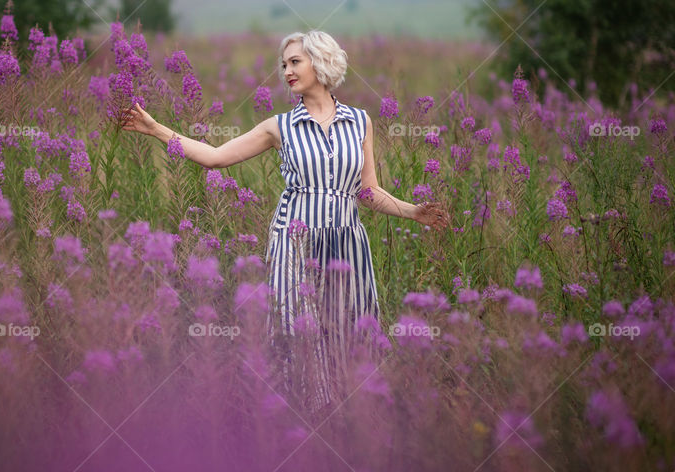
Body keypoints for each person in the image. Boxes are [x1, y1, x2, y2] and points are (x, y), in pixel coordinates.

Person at [119, 30, 449, 413]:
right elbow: (215, 157)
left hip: (347, 244)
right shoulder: (279, 127)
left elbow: (367, 190)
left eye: (295, 62)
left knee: (351, 328)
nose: (287, 71)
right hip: (294, 242)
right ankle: (304, 420)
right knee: (298, 331)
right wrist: (156, 129)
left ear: (320, 62)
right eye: (284, 65)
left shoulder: (361, 122)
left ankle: (354, 421)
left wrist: (412, 211)